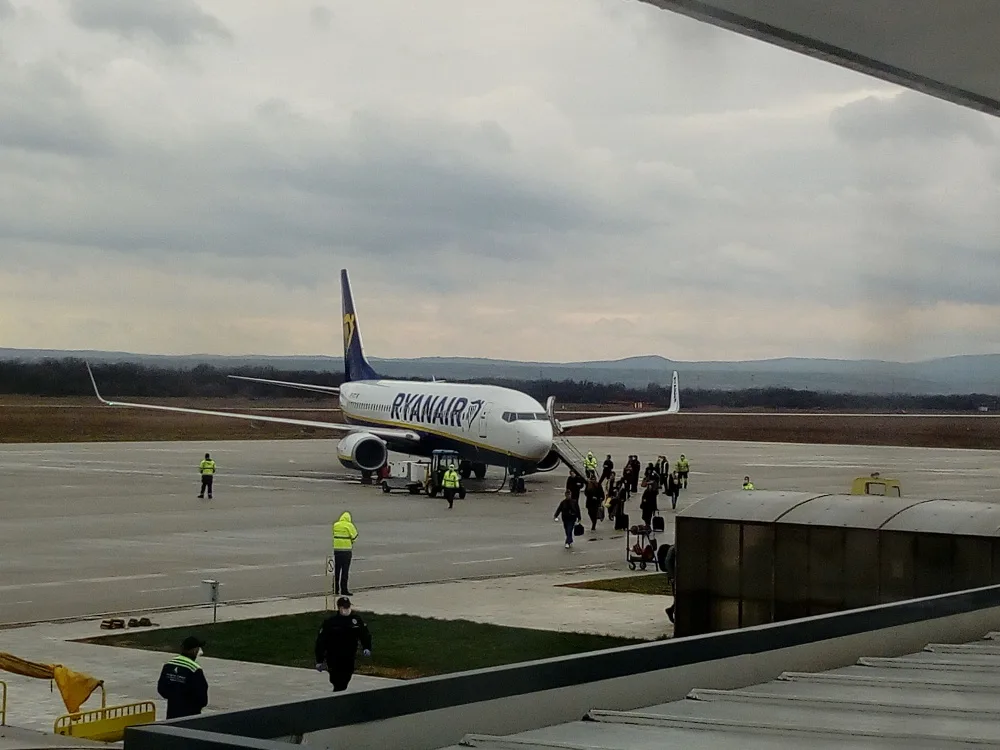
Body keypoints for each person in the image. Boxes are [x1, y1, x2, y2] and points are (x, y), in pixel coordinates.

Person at [314, 597, 372, 692]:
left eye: (347, 607)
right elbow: (321, 641)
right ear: (339, 608)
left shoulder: (355, 620)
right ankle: (338, 692)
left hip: (349, 656)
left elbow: (364, 635)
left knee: (346, 677)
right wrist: (319, 660)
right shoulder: (331, 622)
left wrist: (367, 647)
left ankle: (339, 692)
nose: (346, 609)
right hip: (334, 656)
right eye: (344, 607)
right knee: (336, 679)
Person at [157, 636, 209, 719]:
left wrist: (175, 698)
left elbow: (161, 689)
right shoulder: (195, 669)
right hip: (190, 716)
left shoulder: (168, 665)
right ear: (195, 650)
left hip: (172, 713)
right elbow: (202, 698)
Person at [332, 511, 358, 596]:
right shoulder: (349, 525)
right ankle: (344, 589)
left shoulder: (335, 525)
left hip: (337, 551)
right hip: (346, 551)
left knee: (337, 570)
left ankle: (335, 589)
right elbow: (355, 537)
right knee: (345, 571)